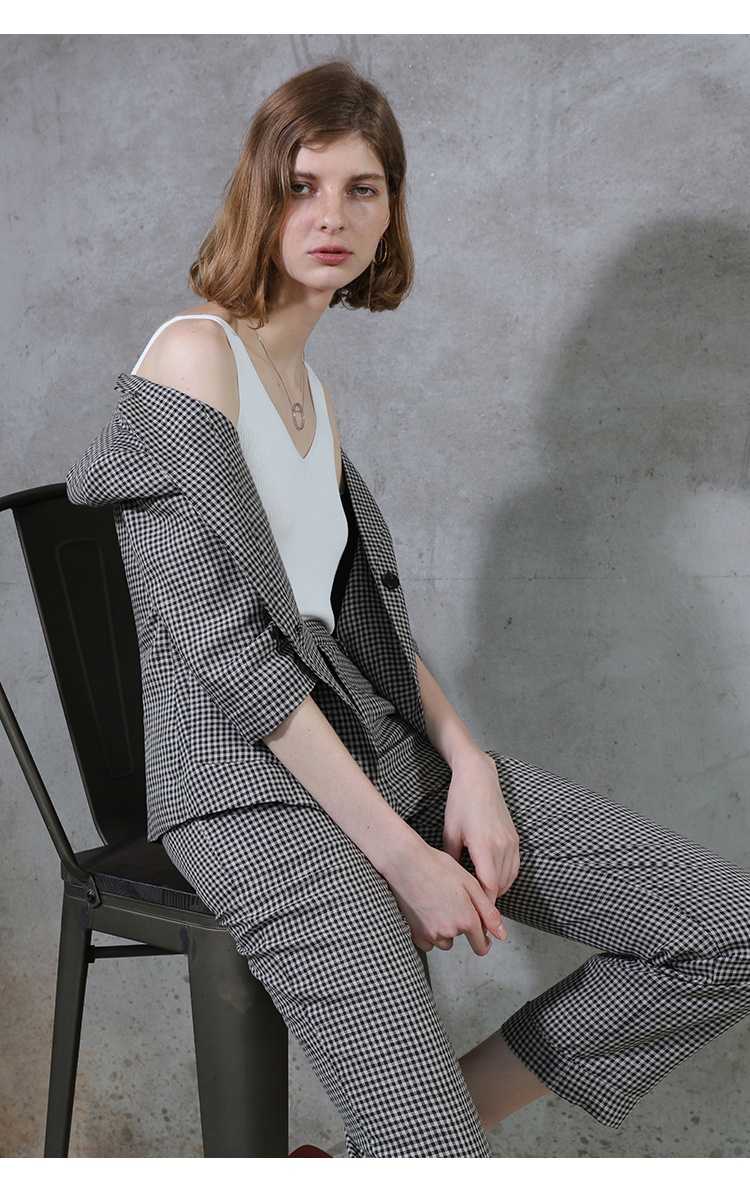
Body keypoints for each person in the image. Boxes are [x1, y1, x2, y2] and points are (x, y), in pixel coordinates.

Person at [67, 61, 750, 1158]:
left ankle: (361, 1163)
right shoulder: (193, 358)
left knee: (727, 931)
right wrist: (404, 855)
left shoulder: (311, 393)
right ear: (258, 195)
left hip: (372, 745)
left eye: (363, 189)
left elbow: (356, 627)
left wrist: (467, 762)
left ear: (391, 212)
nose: (332, 217)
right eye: (302, 186)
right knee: (439, 1165)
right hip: (246, 793)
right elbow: (229, 653)